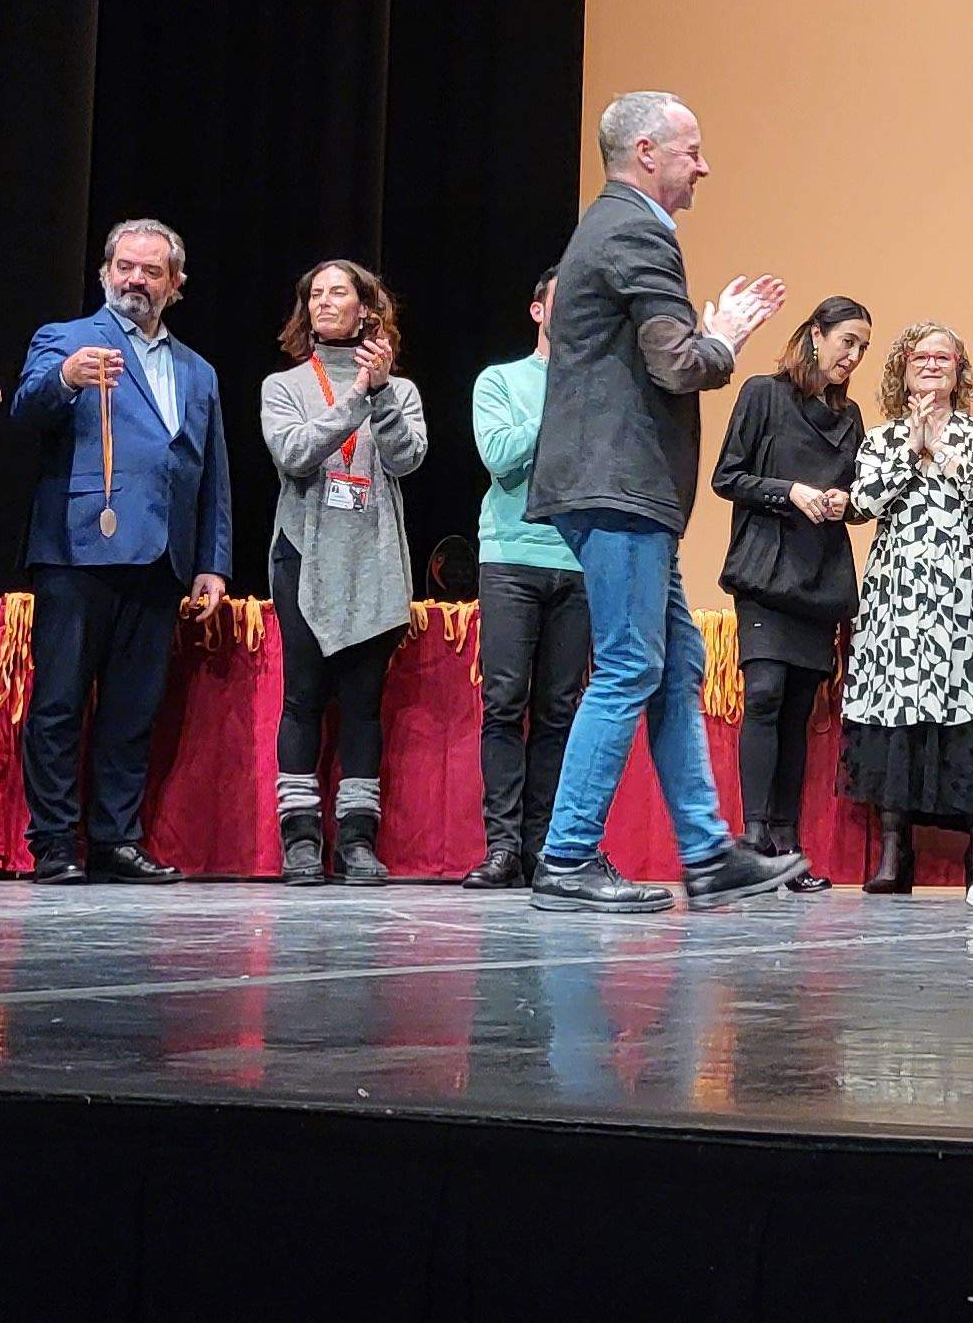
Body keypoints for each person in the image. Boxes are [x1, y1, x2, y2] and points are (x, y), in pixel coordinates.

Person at [522, 90, 810, 911]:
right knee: (628, 667)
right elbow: (678, 365)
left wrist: (706, 334)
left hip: (617, 486)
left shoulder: (607, 226)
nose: (704, 166)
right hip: (619, 485)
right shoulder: (638, 229)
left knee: (675, 663)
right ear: (647, 152)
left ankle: (707, 854)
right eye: (692, 150)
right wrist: (724, 338)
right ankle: (567, 856)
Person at [9, 220, 231, 885]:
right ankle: (53, 841)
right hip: (78, 549)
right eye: (125, 267)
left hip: (161, 557)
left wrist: (212, 561)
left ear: (176, 284)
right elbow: (26, 409)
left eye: (151, 271)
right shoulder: (67, 340)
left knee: (134, 712)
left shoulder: (198, 370)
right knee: (59, 704)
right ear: (105, 271)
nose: (136, 279)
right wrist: (67, 380)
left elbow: (209, 470)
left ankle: (115, 838)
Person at [260, 260, 430, 886]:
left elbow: (408, 460)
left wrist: (382, 394)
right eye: (316, 294)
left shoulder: (401, 390)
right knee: (302, 697)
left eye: (340, 292)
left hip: (374, 559)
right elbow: (296, 454)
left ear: (366, 308)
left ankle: (357, 841)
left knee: (363, 707)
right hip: (303, 557)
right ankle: (300, 839)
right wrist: (358, 394)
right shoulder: (284, 385)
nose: (326, 302)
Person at [841, 322, 973, 892]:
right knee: (895, 718)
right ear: (903, 367)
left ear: (958, 370)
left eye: (943, 357)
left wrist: (939, 451)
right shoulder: (880, 439)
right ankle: (896, 854)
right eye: (920, 356)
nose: (931, 364)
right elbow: (862, 503)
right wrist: (910, 453)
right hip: (897, 597)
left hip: (967, 596)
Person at [711, 296, 873, 892]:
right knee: (765, 693)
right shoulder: (763, 393)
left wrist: (842, 502)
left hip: (820, 577)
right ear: (816, 335)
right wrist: (790, 492)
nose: (852, 356)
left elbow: (859, 495)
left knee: (800, 711)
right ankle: (753, 836)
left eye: (861, 348)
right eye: (846, 341)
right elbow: (728, 476)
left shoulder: (850, 415)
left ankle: (787, 845)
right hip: (765, 571)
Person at [460, 269, 585, 891]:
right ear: (538, 310)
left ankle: (546, 847)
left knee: (560, 712)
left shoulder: (601, 388)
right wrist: (562, 402)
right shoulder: (501, 381)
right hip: (512, 557)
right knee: (505, 704)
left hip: (581, 562)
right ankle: (503, 845)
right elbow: (501, 455)